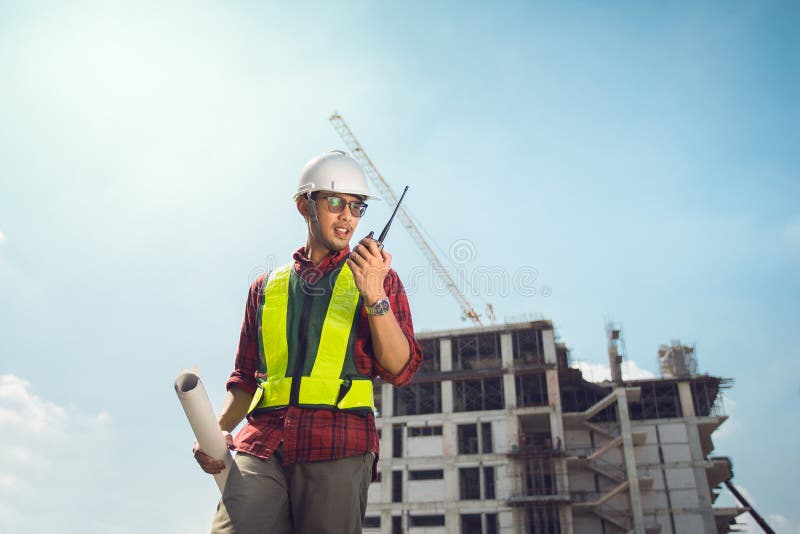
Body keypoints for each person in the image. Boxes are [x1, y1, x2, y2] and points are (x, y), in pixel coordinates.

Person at [193, 150, 422, 534]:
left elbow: (401, 369)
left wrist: (374, 295)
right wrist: (215, 430)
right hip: (263, 443)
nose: (348, 216)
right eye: (335, 202)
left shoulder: (380, 279)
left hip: (338, 443)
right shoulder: (266, 288)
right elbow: (245, 378)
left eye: (357, 207)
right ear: (305, 205)